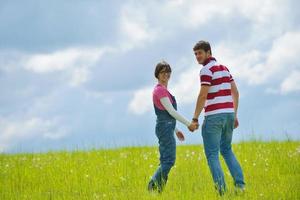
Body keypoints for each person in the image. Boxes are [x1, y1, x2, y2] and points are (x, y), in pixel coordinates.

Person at [191, 40, 245, 195]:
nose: (197, 56)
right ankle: (240, 187)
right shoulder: (225, 69)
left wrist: (195, 118)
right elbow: (235, 92)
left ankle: (221, 191)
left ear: (209, 52)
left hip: (214, 116)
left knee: (212, 155)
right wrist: (234, 114)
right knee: (227, 150)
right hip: (228, 114)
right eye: (195, 54)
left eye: (200, 53)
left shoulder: (206, 70)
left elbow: (203, 95)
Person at [148, 61, 198, 193]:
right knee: (169, 160)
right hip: (164, 128)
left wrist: (176, 130)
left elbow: (167, 114)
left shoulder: (164, 90)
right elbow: (171, 112)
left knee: (165, 160)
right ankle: (152, 185)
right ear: (157, 75)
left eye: (168, 72)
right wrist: (189, 124)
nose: (166, 74)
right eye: (163, 72)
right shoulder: (159, 90)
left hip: (167, 127)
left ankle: (158, 190)